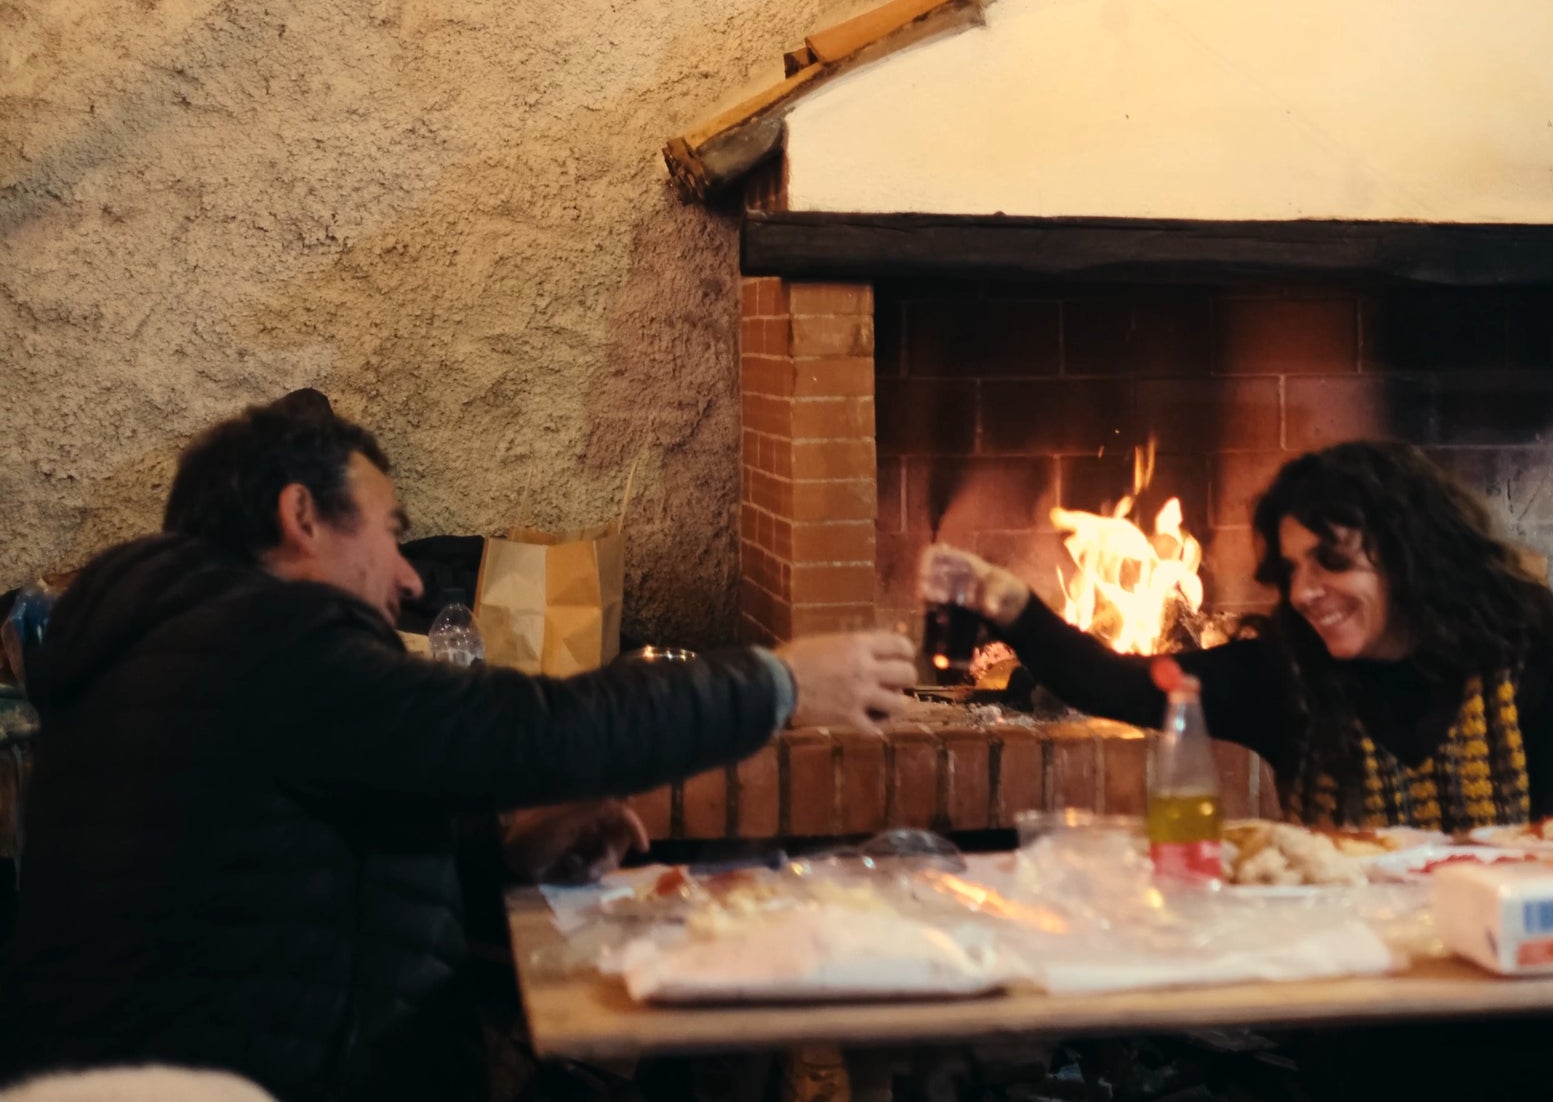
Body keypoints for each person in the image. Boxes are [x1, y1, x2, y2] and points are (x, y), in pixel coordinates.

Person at [0, 391, 915, 1102]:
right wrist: (778, 683)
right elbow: (527, 729)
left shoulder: (175, 642)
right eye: (392, 532)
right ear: (302, 518)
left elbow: (291, 871)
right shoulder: (265, 641)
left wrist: (504, 853)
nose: (406, 579)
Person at [922, 439, 1553, 830]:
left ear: (1410, 552)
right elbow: (1121, 685)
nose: (1303, 592)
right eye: (1292, 568)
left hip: (1515, 988)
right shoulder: (1289, 674)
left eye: (1331, 561)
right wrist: (1010, 604)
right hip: (1354, 999)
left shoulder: (1524, 657)